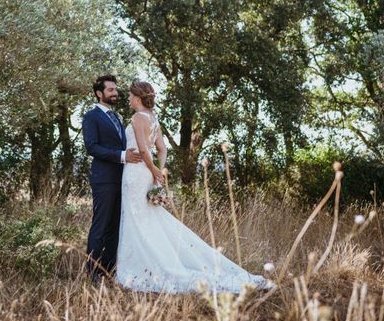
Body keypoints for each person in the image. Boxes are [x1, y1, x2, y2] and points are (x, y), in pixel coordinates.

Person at [115, 79, 270, 293]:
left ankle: (141, 267)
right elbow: (162, 149)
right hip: (148, 174)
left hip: (136, 173)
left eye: (131, 95)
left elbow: (143, 150)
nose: (129, 98)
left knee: (136, 219)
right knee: (148, 219)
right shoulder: (153, 118)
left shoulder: (137, 117)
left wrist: (154, 171)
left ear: (139, 97)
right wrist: (158, 171)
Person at [81, 75, 143, 282]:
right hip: (104, 179)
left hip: (123, 178)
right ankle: (93, 272)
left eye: (115, 89)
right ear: (99, 93)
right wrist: (123, 156)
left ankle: (109, 270)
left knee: (115, 227)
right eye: (110, 90)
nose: (115, 93)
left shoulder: (116, 117)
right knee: (101, 225)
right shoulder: (91, 116)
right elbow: (92, 147)